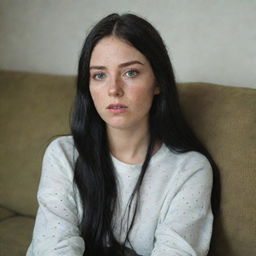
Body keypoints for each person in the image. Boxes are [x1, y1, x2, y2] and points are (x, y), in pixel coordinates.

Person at [26, 13, 220, 256]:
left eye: (130, 73)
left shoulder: (190, 170)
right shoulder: (63, 155)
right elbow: (54, 248)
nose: (113, 89)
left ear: (158, 81)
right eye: (99, 75)